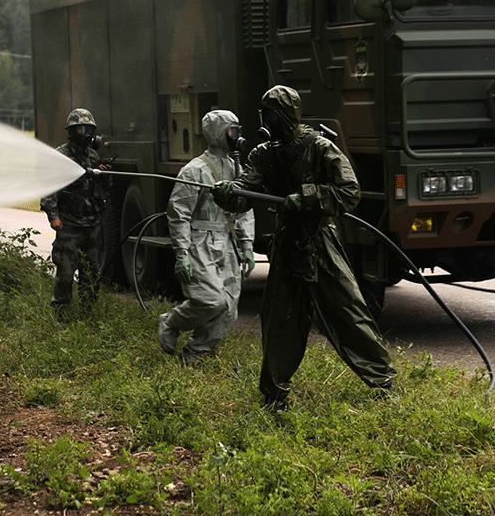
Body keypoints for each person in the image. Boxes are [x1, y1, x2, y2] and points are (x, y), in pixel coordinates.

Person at [210, 86, 395, 407]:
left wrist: (309, 197)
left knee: (348, 313)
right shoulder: (263, 154)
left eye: (272, 115)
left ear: (288, 116)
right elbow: (247, 190)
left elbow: (350, 192)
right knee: (279, 320)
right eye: (263, 115)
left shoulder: (321, 148)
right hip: (286, 246)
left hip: (320, 242)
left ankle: (384, 382)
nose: (267, 121)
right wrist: (230, 192)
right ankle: (274, 394)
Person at [158, 110, 255, 365]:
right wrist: (182, 254)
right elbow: (179, 213)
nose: (235, 136)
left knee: (229, 308)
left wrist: (247, 245)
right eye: (230, 131)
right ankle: (171, 321)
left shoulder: (237, 169)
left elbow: (244, 208)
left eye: (237, 130)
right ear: (216, 133)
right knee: (211, 300)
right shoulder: (194, 170)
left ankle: (196, 354)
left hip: (229, 242)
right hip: (201, 242)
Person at [41, 108, 110, 315]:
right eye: (81, 128)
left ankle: (87, 312)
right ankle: (60, 313)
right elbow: (49, 189)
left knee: (91, 273)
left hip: (92, 225)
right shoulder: (60, 156)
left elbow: (104, 189)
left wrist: (105, 175)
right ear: (71, 131)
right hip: (69, 225)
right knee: (66, 273)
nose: (86, 133)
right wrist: (54, 217)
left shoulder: (93, 156)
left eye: (89, 128)